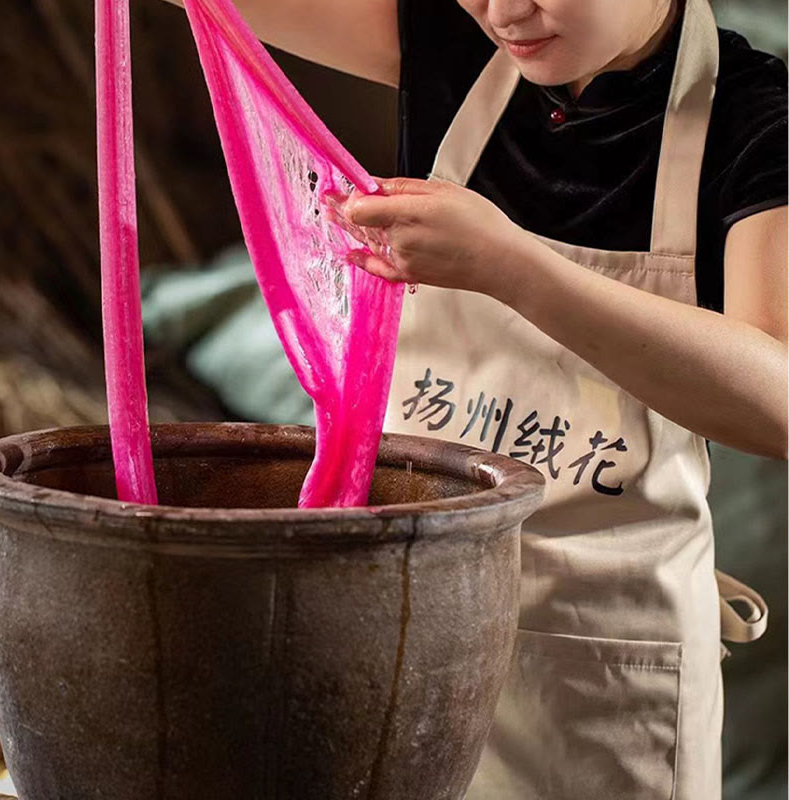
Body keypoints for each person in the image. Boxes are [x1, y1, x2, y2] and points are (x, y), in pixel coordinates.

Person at [169, 0, 787, 796]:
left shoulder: (754, 117)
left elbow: (773, 402)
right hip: (397, 642)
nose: (504, 11)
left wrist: (512, 267)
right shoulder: (450, 47)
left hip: (599, 689)